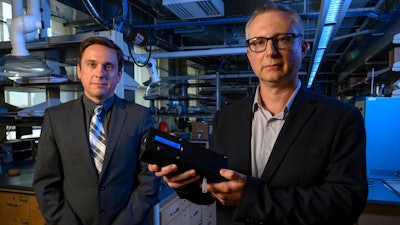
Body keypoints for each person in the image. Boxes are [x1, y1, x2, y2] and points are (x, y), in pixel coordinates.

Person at [149, 3, 368, 225]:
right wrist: (187, 184)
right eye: (259, 43)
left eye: (282, 39)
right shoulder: (226, 118)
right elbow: (210, 189)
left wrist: (252, 198)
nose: (270, 52)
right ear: (249, 54)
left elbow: (346, 203)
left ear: (303, 48)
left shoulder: (341, 118)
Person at [33, 36, 160, 225]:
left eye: (108, 66)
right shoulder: (55, 118)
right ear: (79, 71)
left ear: (118, 74)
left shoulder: (139, 117)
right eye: (91, 64)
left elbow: (150, 178)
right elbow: (45, 184)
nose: (100, 73)